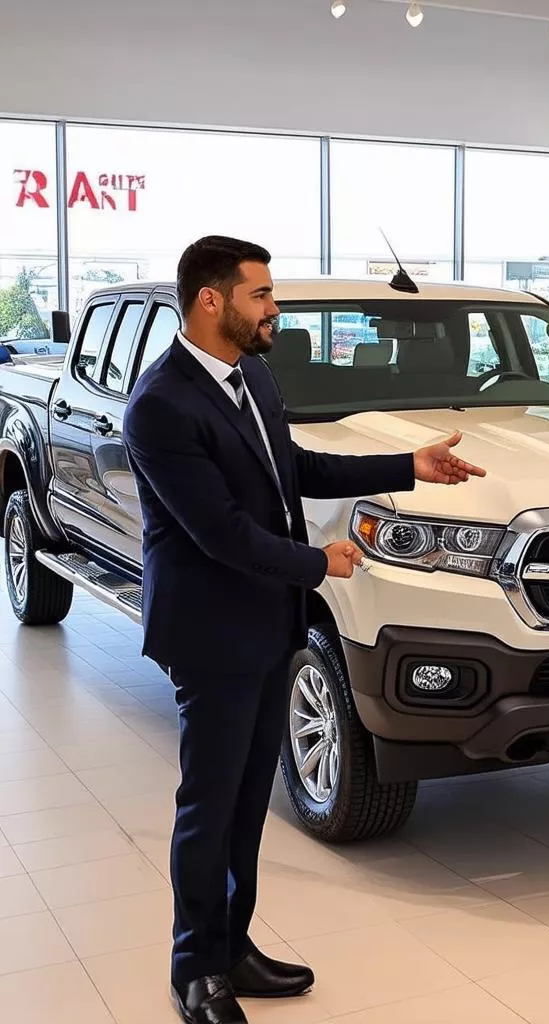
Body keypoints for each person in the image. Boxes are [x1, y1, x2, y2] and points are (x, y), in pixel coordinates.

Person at [123, 236, 485, 1024]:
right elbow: (219, 532)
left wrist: (408, 466)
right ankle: (195, 969)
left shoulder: (250, 374)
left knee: (249, 798)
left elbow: (297, 468)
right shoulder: (160, 404)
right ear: (210, 300)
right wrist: (318, 563)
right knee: (209, 806)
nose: (274, 310)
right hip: (211, 633)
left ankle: (233, 945)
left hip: (265, 620)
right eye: (260, 295)